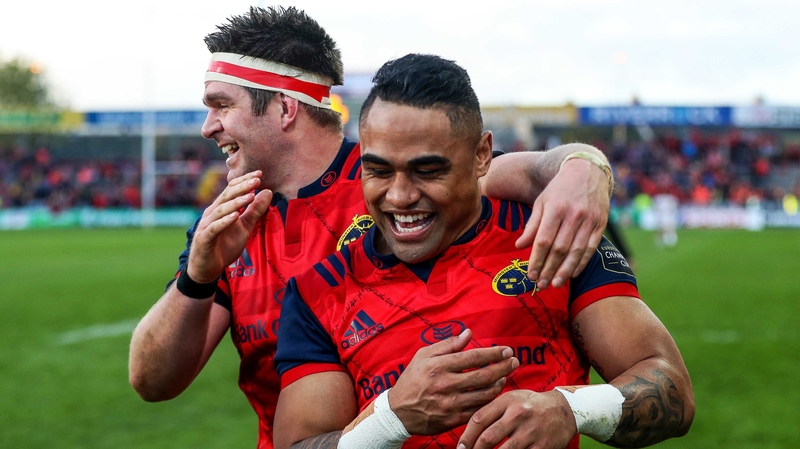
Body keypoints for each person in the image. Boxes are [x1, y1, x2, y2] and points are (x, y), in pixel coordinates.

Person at [128, 7, 615, 449]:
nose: (207, 126)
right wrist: (198, 276)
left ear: (284, 107)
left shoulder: (400, 181)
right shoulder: (228, 225)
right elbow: (152, 382)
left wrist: (586, 164)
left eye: (222, 105)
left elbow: (531, 171)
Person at [273, 54, 693, 449]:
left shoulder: (547, 237)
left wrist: (570, 409)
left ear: (481, 155)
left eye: (428, 170)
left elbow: (670, 387)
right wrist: (390, 419)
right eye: (378, 170)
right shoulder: (318, 292)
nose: (399, 196)